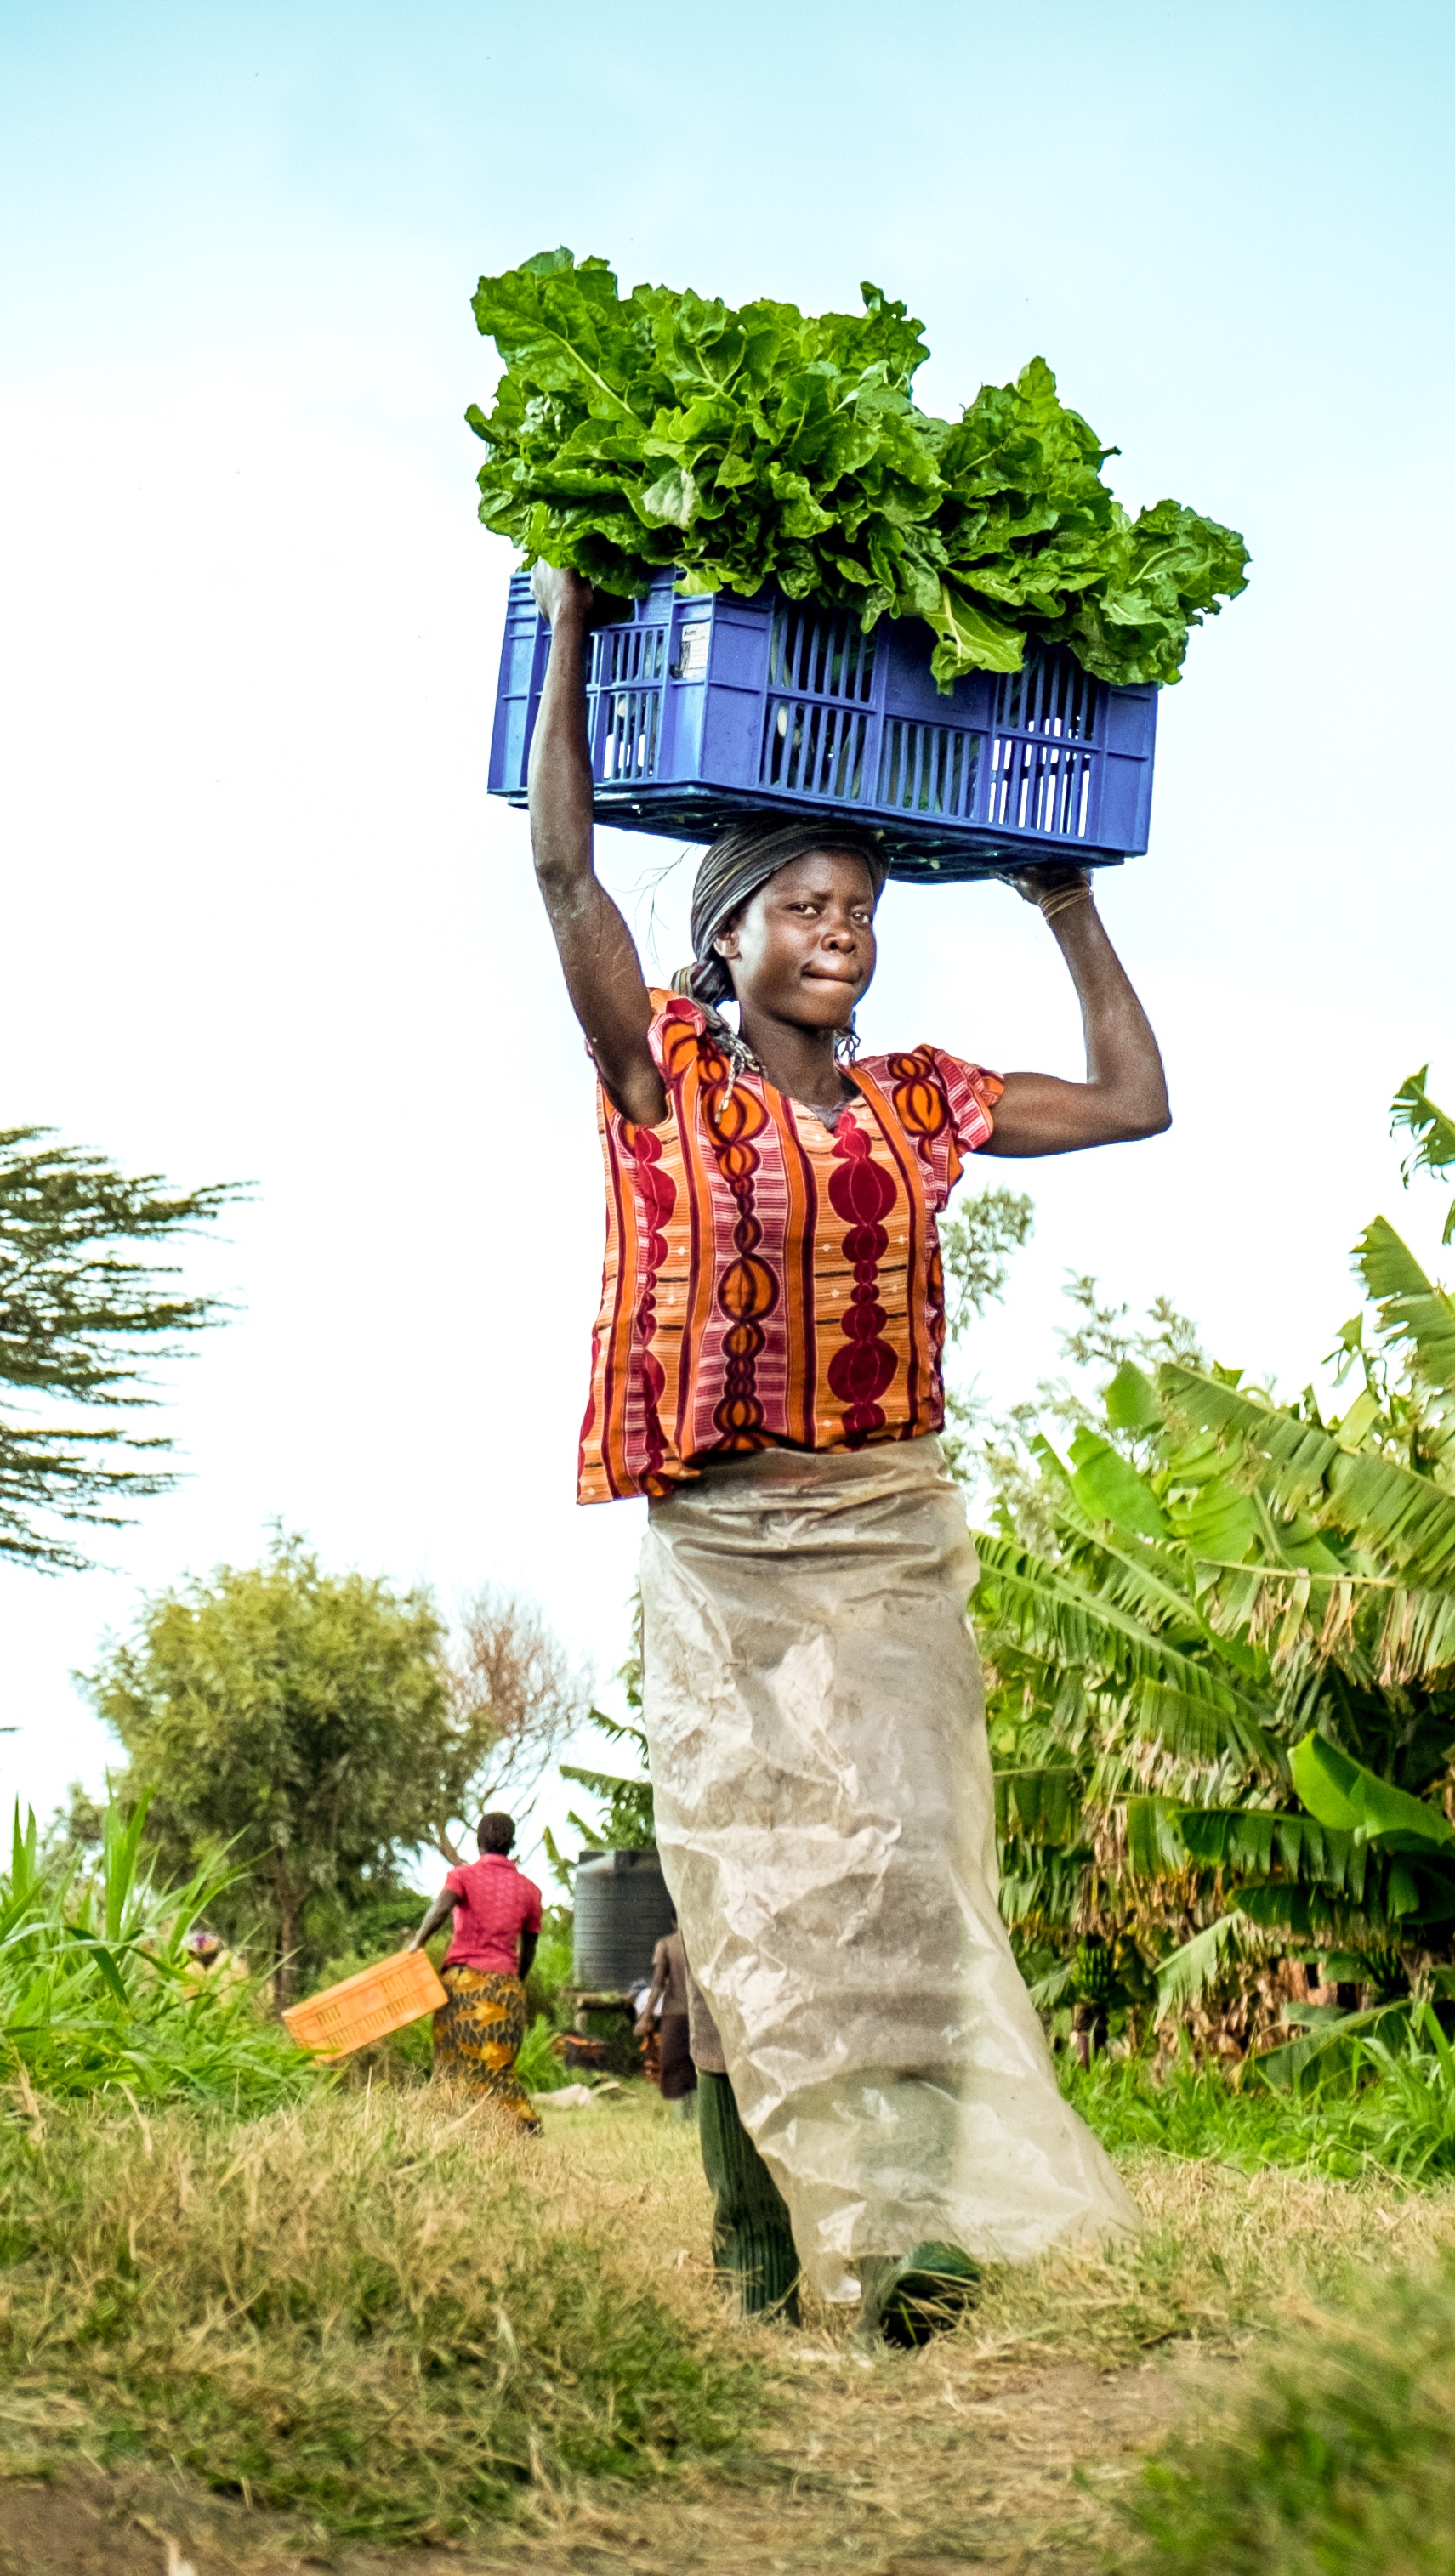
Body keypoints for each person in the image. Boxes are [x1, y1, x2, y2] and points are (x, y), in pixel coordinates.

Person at [526, 564, 1158, 2342]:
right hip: (726, 1548)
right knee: (739, 1898)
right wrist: (574, 622)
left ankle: (903, 2261)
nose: (840, 930)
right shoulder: (663, 1081)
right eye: (802, 905)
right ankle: (763, 2251)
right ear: (725, 940)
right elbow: (566, 872)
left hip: (884, 1540)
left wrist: (1065, 906)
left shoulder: (918, 1102)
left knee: (899, 1889)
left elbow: (1132, 1103)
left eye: (861, 907)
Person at [639, 1926, 795, 2319]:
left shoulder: (672, 1941)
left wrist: (645, 2016)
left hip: (689, 2011)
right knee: (699, 2065)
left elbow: (657, 1982)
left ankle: (757, 2291)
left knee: (686, 2067)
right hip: (713, 2007)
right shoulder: (681, 1940)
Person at [406, 1812, 545, 2131]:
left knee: (451, 2064)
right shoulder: (530, 1891)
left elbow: (441, 1909)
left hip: (462, 1986)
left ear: (478, 1841)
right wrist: (513, 1985)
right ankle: (518, 2123)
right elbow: (530, 1950)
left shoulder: (463, 1876)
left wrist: (417, 1942)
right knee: (497, 2066)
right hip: (506, 1987)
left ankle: (455, 2124)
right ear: (512, 1844)